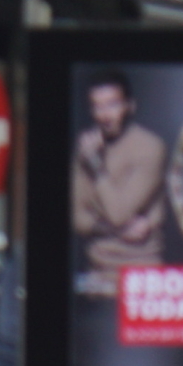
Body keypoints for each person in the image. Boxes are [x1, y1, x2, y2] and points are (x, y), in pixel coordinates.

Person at [70, 67, 167, 293]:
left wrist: (96, 166)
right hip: (98, 271)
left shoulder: (150, 147)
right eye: (97, 106)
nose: (104, 115)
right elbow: (77, 219)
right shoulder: (85, 150)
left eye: (112, 105)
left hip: (143, 274)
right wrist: (116, 230)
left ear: (129, 106)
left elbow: (118, 212)